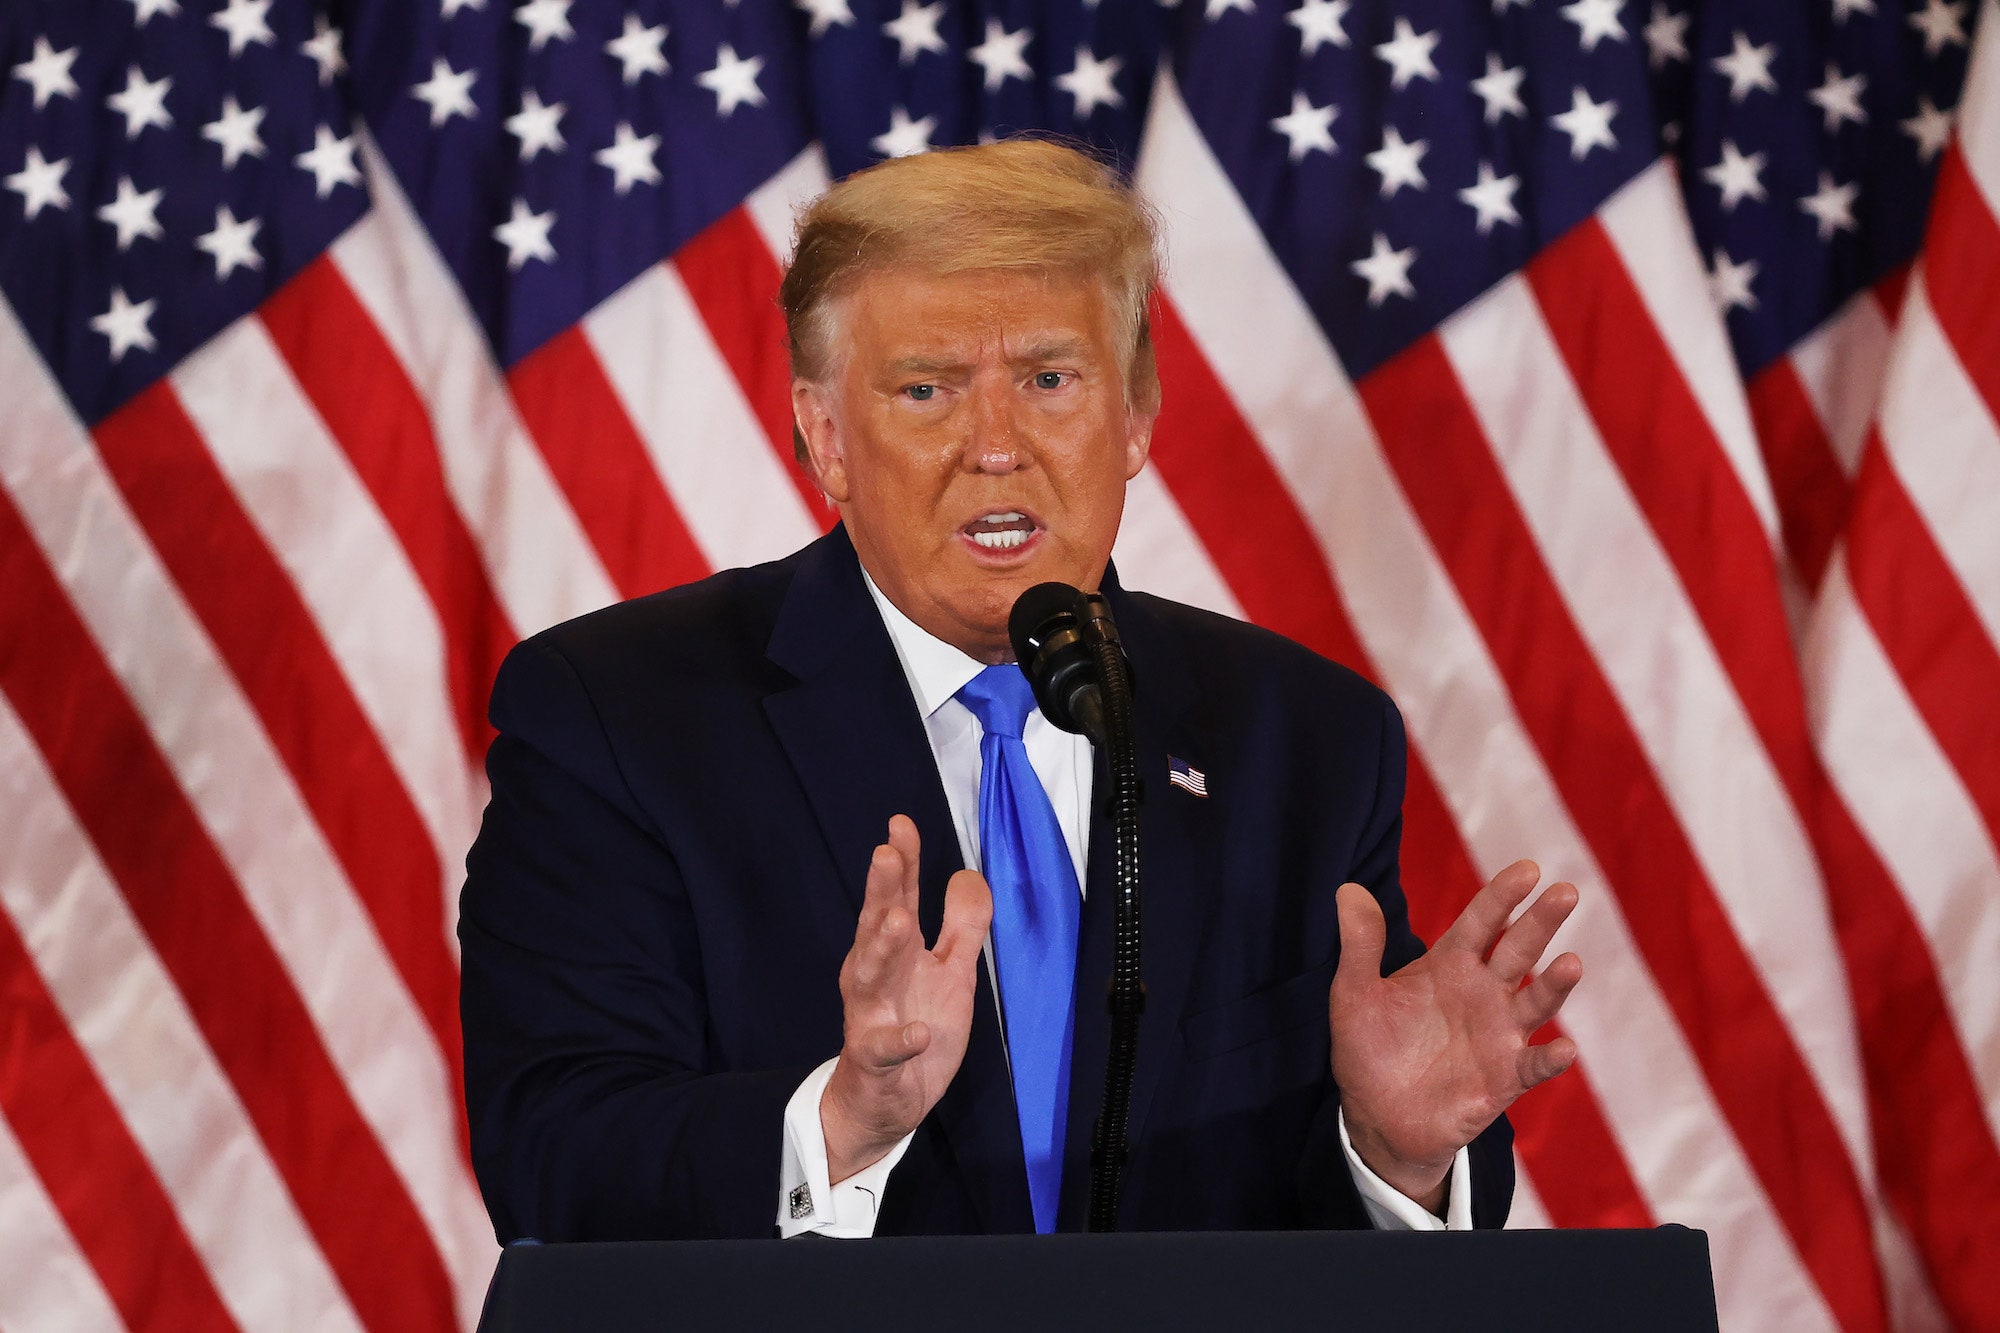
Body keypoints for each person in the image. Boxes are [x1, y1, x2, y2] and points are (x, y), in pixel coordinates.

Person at [458, 139, 1582, 1243]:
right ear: (825, 436)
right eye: (925, 388)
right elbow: (552, 1151)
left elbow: (1320, 1216)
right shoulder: (617, 715)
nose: (994, 446)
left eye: (1048, 379)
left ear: (1132, 416)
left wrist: (1395, 1154)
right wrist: (844, 1120)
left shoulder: (1301, 739)